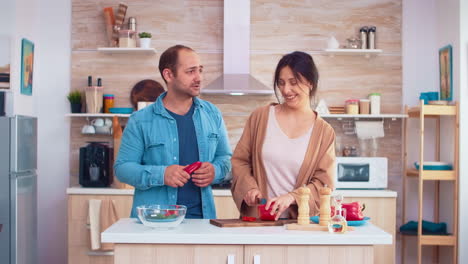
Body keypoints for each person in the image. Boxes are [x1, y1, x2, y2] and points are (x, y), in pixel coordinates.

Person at [115, 44, 232, 219]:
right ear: (168, 75)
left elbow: (226, 159)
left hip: (203, 221)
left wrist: (215, 171)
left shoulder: (212, 114)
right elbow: (123, 169)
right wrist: (162, 174)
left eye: (200, 70)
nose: (199, 77)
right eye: (191, 71)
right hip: (155, 222)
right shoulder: (140, 120)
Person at [231, 51, 335, 220]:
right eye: (281, 83)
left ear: (310, 82)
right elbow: (240, 160)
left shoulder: (324, 132)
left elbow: (324, 183)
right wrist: (249, 187)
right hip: (258, 221)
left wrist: (292, 197)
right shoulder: (261, 117)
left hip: (299, 225)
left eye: (293, 82)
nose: (286, 90)